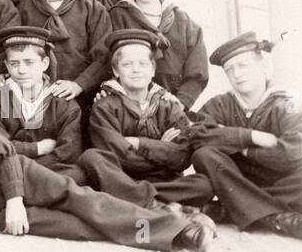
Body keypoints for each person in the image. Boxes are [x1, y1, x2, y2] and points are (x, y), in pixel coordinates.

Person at [0, 60, 216, 252]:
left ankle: (178, 230)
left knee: (81, 199)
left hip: (12, 179)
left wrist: (15, 200)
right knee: (73, 228)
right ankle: (160, 228)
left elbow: (2, 152)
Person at [187, 32, 302, 241]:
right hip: (236, 179)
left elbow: (296, 152)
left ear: (262, 67)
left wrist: (243, 150)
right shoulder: (220, 104)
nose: (237, 74)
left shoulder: (285, 103)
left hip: (280, 181)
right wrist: (250, 137)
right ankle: (276, 218)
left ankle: (227, 211)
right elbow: (197, 134)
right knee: (204, 155)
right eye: (230, 70)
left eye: (243, 66)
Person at [77, 29, 215, 211]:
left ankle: (140, 201)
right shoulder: (105, 106)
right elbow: (116, 154)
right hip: (121, 176)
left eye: (142, 64)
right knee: (92, 158)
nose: (136, 70)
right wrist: (162, 148)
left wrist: (139, 143)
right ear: (115, 71)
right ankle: (160, 204)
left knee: (205, 185)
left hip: (163, 180)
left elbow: (182, 156)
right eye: (127, 64)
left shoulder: (169, 104)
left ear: (152, 70)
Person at [108, 0, 209, 110]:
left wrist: (179, 103)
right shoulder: (117, 17)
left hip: (174, 105)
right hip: (129, 106)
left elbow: (198, 74)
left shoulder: (184, 22)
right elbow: (109, 64)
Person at [0, 27, 86, 181]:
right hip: (7, 170)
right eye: (14, 64)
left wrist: (32, 171)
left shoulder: (63, 102)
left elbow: (69, 152)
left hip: (51, 169)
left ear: (45, 63)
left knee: (76, 175)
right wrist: (36, 148)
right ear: (7, 66)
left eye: (29, 62)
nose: (21, 70)